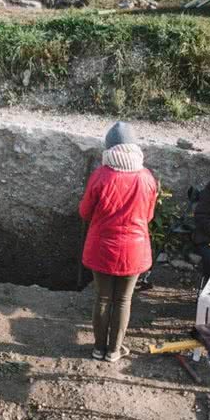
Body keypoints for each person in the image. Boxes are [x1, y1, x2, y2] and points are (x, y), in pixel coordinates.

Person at [79, 121, 158, 362]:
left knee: (102, 298)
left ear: (109, 147)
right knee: (123, 300)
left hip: (102, 247)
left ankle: (98, 348)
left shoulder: (100, 176)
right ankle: (115, 350)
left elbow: (85, 212)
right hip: (134, 250)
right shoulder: (146, 178)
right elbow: (149, 215)